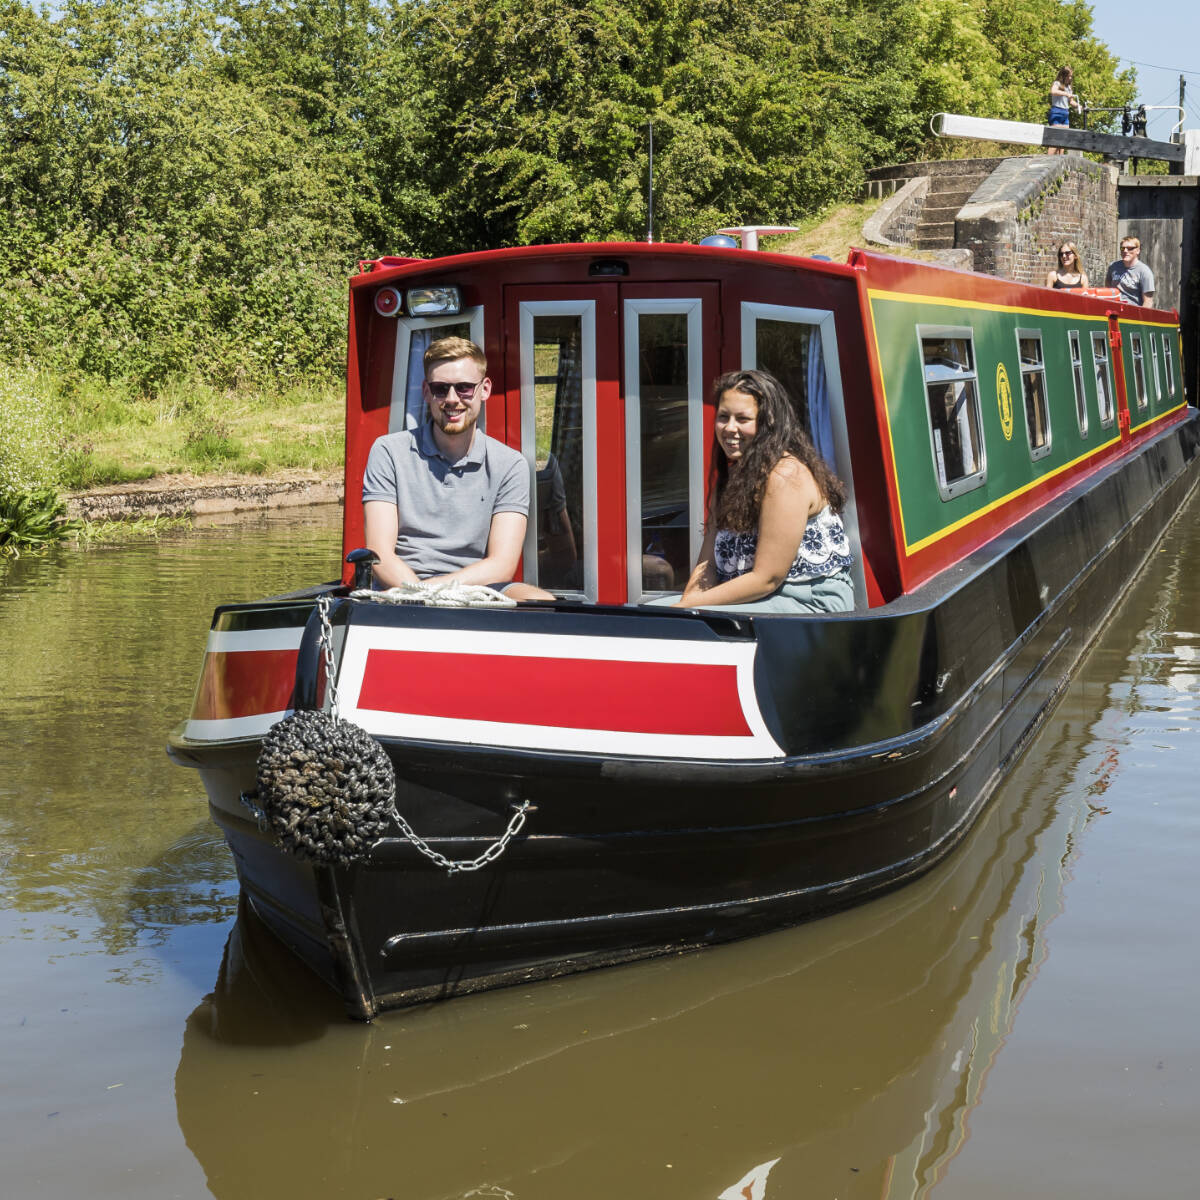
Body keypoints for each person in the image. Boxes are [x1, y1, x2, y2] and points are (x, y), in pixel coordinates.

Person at [362, 336, 552, 599]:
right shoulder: (388, 451)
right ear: (426, 392)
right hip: (400, 587)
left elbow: (502, 565)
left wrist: (437, 590)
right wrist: (418, 595)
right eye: (441, 388)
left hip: (475, 587)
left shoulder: (510, 465)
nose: (452, 399)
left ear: (484, 390)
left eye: (464, 387)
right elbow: (379, 553)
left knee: (541, 601)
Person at [660, 369, 854, 614]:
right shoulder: (733, 478)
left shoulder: (785, 475)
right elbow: (706, 566)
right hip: (759, 598)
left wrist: (684, 609)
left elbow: (767, 578)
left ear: (768, 423)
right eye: (723, 417)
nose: (730, 428)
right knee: (644, 618)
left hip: (807, 601)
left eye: (742, 419)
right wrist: (686, 607)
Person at [1105, 236, 1156, 306]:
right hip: (1113, 311)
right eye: (1122, 248)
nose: (1125, 251)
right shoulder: (1113, 267)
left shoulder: (1144, 272)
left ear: (1138, 251)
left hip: (1132, 313)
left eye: (1130, 248)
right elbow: (1107, 287)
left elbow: (1148, 302)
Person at [1046, 67, 1081, 154]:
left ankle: (1059, 160)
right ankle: (1048, 159)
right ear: (1063, 76)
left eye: (1071, 76)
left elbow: (1071, 101)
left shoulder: (1069, 88)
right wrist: (1065, 94)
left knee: (1063, 139)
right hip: (1056, 112)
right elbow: (1053, 91)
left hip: (1065, 113)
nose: (1070, 78)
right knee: (1055, 139)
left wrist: (1078, 106)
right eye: (1068, 76)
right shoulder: (1057, 83)